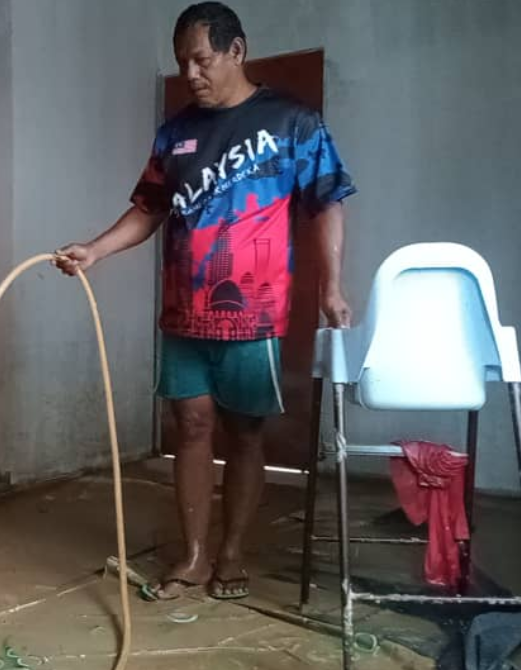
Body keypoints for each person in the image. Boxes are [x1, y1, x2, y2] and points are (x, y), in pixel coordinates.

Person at [56, 2, 355, 601]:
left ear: (236, 51)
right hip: (182, 314)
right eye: (182, 62)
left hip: (254, 314)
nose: (191, 73)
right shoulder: (176, 133)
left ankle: (232, 554)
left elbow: (326, 202)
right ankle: (192, 557)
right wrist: (95, 249)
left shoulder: (294, 123)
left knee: (245, 434)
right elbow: (149, 209)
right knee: (190, 427)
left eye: (202, 58)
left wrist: (330, 287)